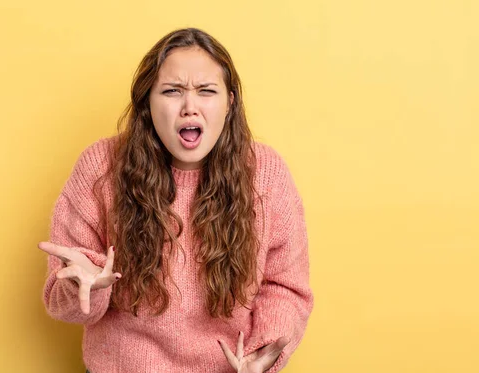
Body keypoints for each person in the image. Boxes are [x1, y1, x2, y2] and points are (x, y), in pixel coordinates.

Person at [37, 27, 314, 373]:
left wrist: (265, 349)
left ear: (229, 103)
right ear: (146, 104)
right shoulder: (100, 169)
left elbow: (285, 287)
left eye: (206, 91)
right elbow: (65, 306)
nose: (189, 107)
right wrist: (84, 285)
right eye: (171, 91)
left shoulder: (267, 175)